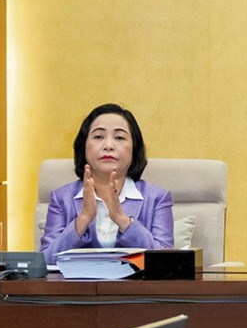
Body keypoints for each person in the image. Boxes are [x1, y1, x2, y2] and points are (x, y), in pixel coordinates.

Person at [39, 103, 177, 260]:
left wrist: (122, 219)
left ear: (134, 149)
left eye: (119, 138)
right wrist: (83, 219)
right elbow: (45, 261)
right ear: (83, 147)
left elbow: (167, 261)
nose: (108, 146)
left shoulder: (157, 198)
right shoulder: (62, 198)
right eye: (98, 137)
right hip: (77, 285)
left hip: (137, 285)